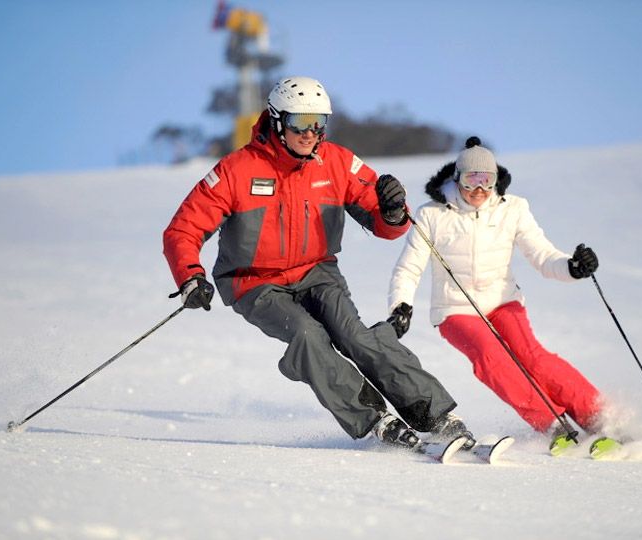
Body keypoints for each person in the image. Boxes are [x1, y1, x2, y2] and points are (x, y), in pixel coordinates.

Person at [163, 76, 470, 450]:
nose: (310, 133)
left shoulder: (337, 164)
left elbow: (384, 225)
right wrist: (190, 276)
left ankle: (435, 415)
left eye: (318, 123)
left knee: (356, 336)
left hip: (317, 272)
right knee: (308, 336)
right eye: (299, 123)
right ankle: (374, 419)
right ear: (277, 121)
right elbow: (182, 229)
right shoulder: (236, 170)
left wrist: (391, 212)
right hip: (254, 282)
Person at [387, 136, 605, 454]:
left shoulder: (513, 209)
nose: (478, 190)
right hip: (455, 308)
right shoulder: (432, 214)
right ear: (456, 177)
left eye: (486, 181)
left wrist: (572, 267)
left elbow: (543, 256)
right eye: (470, 180)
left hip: (503, 301)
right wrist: (400, 305)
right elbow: (409, 268)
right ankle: (553, 424)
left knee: (534, 358)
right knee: (491, 358)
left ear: (495, 180)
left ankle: (600, 417)